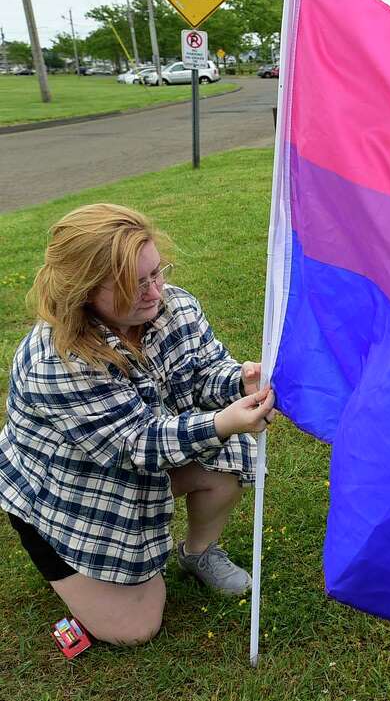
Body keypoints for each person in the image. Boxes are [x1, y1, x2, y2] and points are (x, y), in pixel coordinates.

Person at [0, 204, 275, 646]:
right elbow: (136, 443)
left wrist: (239, 379)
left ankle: (197, 553)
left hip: (139, 461)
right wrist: (223, 422)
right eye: (135, 284)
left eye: (156, 273)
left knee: (234, 455)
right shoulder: (57, 361)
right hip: (72, 486)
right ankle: (45, 538)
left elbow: (205, 372)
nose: (154, 291)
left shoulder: (174, 305)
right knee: (135, 629)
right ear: (85, 292)